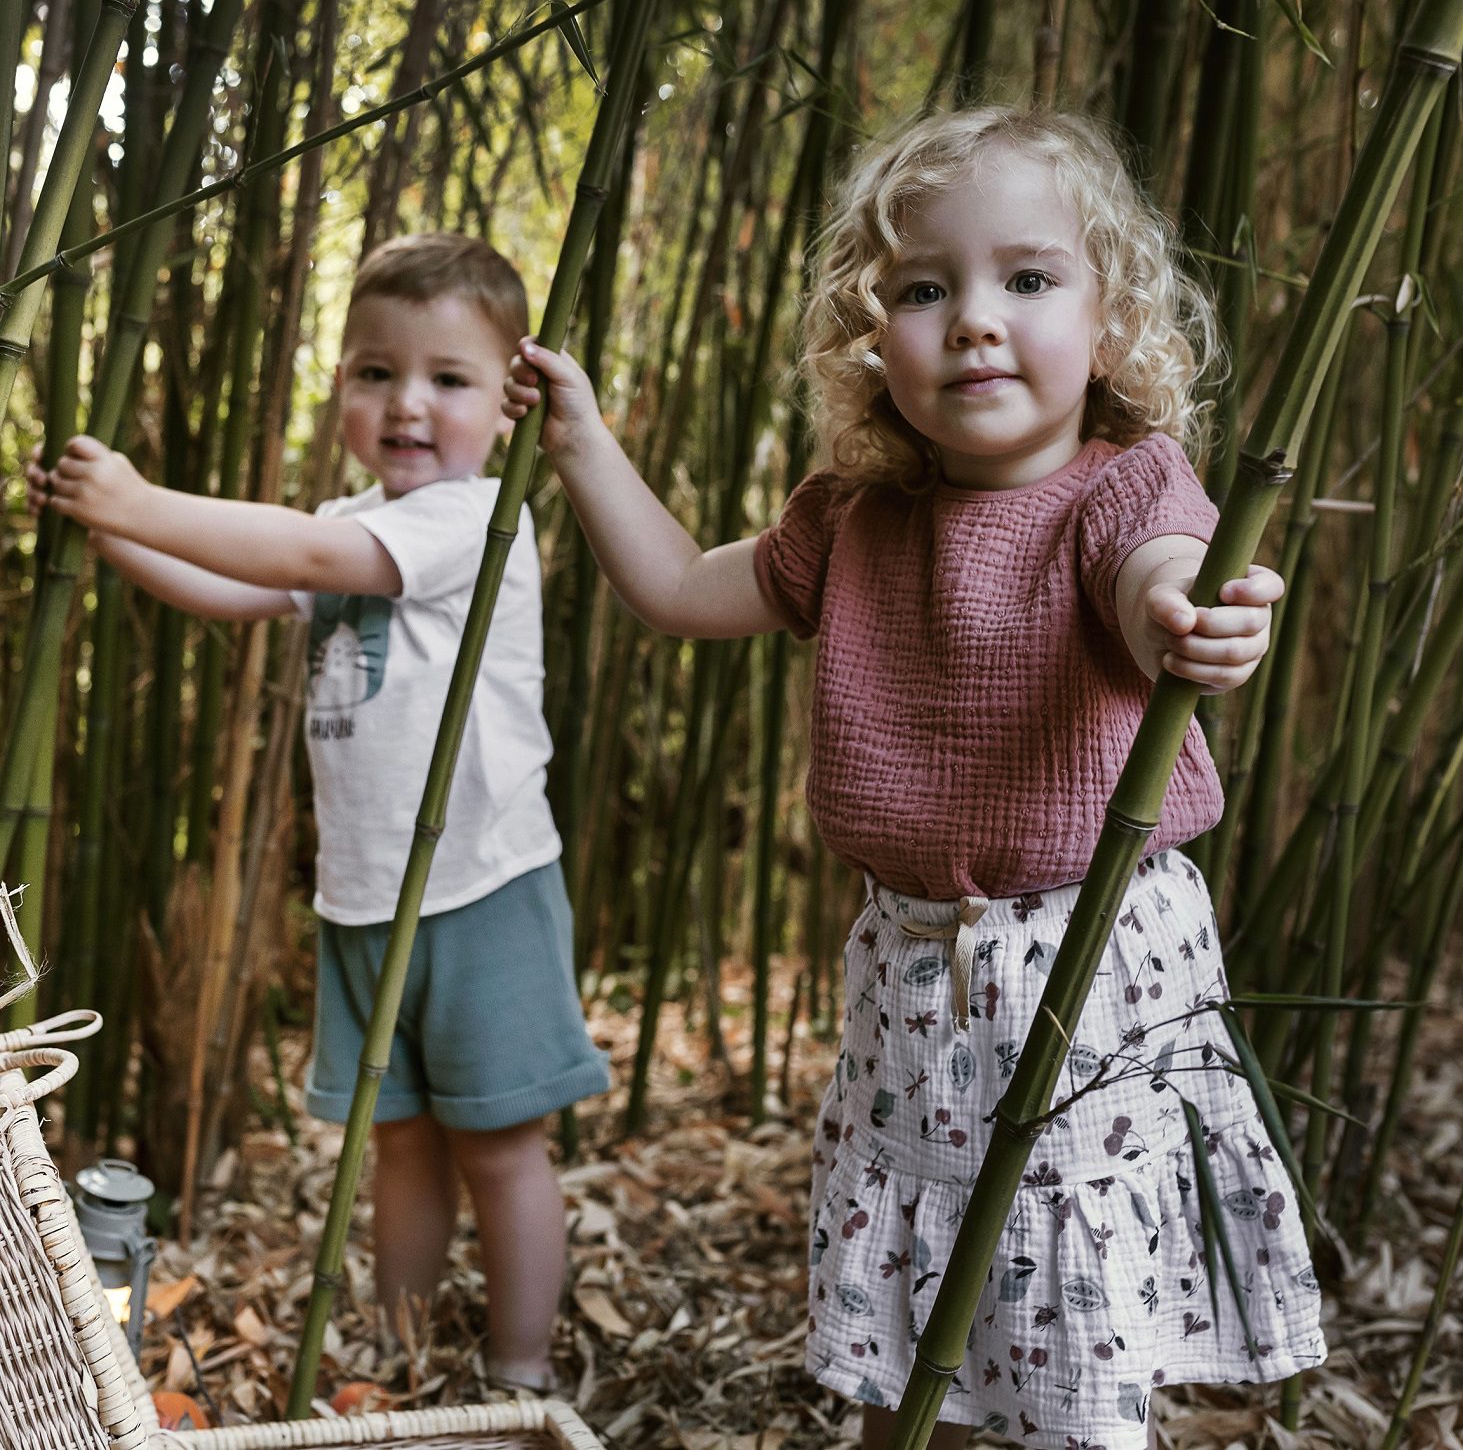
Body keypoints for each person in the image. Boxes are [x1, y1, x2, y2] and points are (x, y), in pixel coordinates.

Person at [500, 108, 1325, 1449]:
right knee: (921, 1308)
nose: (976, 319)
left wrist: (1201, 615)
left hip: (1094, 956)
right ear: (870, 336)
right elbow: (672, 588)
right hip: (914, 960)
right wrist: (586, 441)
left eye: (1029, 278)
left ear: (1110, 323)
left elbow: (1158, 583)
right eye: (925, 288)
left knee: (1067, 1293)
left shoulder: (1125, 493)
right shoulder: (852, 516)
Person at [30, 232, 610, 1393]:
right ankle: (394, 1353)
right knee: (393, 1137)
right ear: (341, 384)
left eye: (447, 379)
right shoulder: (360, 518)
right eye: (374, 371)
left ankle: (522, 1369)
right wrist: (118, 530)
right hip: (366, 896)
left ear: (507, 405)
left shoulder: (469, 520)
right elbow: (239, 586)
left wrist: (145, 495)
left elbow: (298, 550)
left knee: (499, 1145)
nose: (406, 404)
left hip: (481, 887)